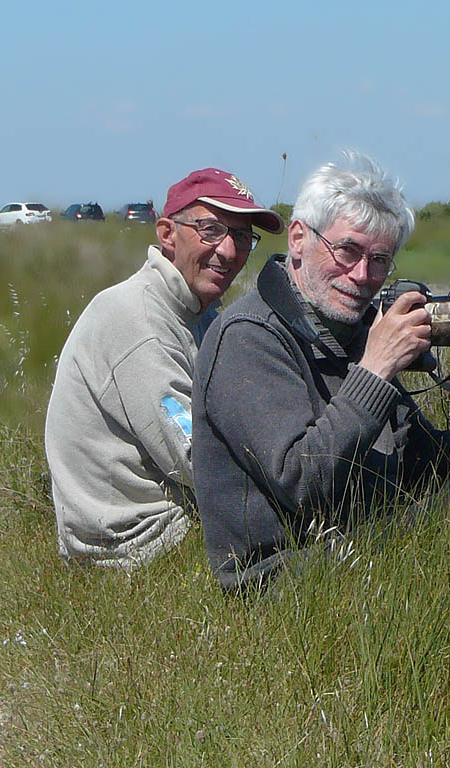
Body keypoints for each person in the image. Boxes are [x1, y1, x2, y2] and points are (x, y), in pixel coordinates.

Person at [192, 152, 450, 592]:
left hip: (362, 530)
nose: (361, 276)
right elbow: (302, 484)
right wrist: (375, 371)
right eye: (348, 251)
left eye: (379, 260)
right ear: (297, 239)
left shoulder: (345, 327)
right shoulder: (247, 336)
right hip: (284, 575)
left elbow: (422, 464)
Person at [44, 168, 284, 567]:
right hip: (132, 545)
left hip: (165, 520)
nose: (228, 251)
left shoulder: (196, 311)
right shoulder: (139, 322)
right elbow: (199, 461)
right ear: (167, 233)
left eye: (242, 236)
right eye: (211, 230)